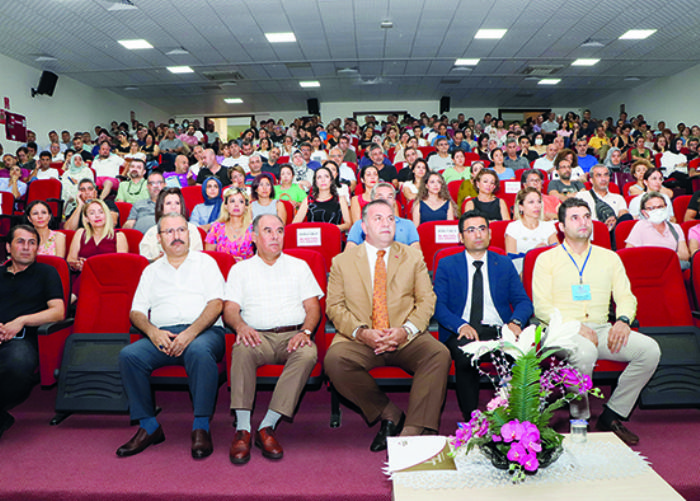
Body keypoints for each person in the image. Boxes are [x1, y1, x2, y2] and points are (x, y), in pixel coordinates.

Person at [533, 198, 661, 446]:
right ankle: (579, 419)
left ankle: (612, 414)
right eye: (575, 217)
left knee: (649, 350)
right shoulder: (546, 260)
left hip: (602, 328)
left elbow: (625, 296)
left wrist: (623, 320)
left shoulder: (609, 258)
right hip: (562, 330)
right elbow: (542, 307)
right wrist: (575, 326)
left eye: (586, 216)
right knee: (585, 352)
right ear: (561, 226)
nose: (583, 222)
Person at [325, 199, 451, 451]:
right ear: (363, 226)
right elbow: (334, 306)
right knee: (334, 360)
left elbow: (427, 299)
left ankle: (413, 431)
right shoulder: (342, 261)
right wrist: (362, 333)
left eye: (391, 218)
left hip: (406, 337)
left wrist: (406, 331)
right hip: (361, 339)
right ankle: (389, 412)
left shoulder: (412, 256)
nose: (386, 223)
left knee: (439, 354)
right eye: (378, 218)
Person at [116, 213, 225, 459]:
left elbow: (216, 304)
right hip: (162, 335)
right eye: (170, 232)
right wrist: (153, 332)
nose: (177, 236)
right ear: (159, 238)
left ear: (189, 234)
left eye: (181, 230)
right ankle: (149, 427)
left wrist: (190, 334)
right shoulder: (151, 271)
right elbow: (136, 312)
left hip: (204, 332)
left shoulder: (205, 262)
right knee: (129, 356)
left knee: (198, 350)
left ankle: (201, 427)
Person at [224, 214, 323, 464]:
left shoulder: (299, 266)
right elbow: (230, 310)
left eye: (279, 230)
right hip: (256, 336)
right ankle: (243, 429)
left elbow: (313, 309)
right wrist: (240, 326)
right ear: (254, 237)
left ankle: (267, 426)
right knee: (242, 349)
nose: (275, 236)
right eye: (267, 230)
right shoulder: (240, 269)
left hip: (294, 334)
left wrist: (306, 332)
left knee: (308, 352)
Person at [433, 210, 532, 420]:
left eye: (482, 229)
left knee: (521, 356)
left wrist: (515, 322)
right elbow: (438, 306)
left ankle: (515, 417)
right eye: (471, 230)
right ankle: (472, 419)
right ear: (461, 237)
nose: (477, 234)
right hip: (461, 330)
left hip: (498, 329)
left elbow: (523, 301)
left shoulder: (503, 263)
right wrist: (460, 325)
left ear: (489, 233)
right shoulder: (447, 264)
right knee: (466, 357)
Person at [0, 225, 64, 440]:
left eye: (32, 243)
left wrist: (21, 321)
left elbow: (58, 312)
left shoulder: (47, 273)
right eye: (20, 242)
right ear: (8, 247)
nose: (26, 247)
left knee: (18, 361)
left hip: (23, 340)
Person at [66, 199, 128, 294]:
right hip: (83, 280)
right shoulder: (80, 233)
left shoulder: (119, 236)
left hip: (109, 279)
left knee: (91, 270)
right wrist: (78, 265)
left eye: (101, 212)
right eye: (92, 213)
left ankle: (71, 300)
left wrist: (93, 266)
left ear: (106, 215)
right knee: (87, 272)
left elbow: (122, 265)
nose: (97, 216)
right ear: (86, 218)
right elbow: (70, 260)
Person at [346, 182, 420, 250]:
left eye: (390, 197)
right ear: (372, 200)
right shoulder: (359, 225)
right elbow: (348, 255)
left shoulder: (408, 225)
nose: (385, 200)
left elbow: (417, 257)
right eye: (381, 197)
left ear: (394, 201)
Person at [626, 192, 690, 268]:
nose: (657, 211)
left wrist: (660, 257)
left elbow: (685, 256)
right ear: (644, 212)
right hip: (648, 267)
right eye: (651, 208)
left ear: (666, 207)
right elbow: (629, 252)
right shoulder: (640, 226)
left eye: (660, 207)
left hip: (670, 268)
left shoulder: (675, 227)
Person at [139, 188, 203, 262]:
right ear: (161, 207)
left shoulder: (192, 230)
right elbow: (144, 263)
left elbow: (198, 260)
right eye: (168, 203)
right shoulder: (151, 232)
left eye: (177, 203)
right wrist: (156, 261)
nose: (173, 207)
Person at [504, 188, 558, 273]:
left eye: (539, 202)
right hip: (522, 272)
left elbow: (557, 252)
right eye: (531, 202)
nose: (536, 206)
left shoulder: (549, 226)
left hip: (547, 270)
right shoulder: (513, 227)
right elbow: (511, 259)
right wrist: (533, 252)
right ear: (521, 207)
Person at [575, 164, 630, 232]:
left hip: (614, 232)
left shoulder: (618, 198)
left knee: (627, 218)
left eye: (606, 175)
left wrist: (614, 220)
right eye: (599, 175)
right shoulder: (582, 196)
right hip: (592, 232)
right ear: (591, 180)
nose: (603, 179)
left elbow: (624, 217)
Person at [205, 187, 254, 262]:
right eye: (232, 201)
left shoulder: (253, 228)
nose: (236, 205)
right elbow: (208, 258)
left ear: (246, 206)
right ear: (226, 206)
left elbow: (262, 257)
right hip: (222, 271)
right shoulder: (216, 227)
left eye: (241, 201)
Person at [293, 166, 350, 231]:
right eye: (319, 177)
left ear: (331, 180)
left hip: (332, 235)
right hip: (313, 237)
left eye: (326, 176)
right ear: (315, 182)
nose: (323, 180)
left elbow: (348, 224)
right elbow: (295, 224)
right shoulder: (308, 200)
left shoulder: (340, 199)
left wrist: (330, 229)